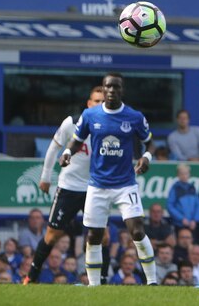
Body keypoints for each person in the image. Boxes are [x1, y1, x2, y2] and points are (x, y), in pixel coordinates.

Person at [59, 72, 157, 286]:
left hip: (125, 184)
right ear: (103, 90)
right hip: (97, 185)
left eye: (116, 87)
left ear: (122, 90)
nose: (112, 90)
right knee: (94, 236)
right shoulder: (90, 115)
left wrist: (146, 157)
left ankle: (152, 282)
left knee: (137, 230)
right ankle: (95, 287)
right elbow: (76, 141)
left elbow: (149, 142)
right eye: (108, 87)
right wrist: (67, 153)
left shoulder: (134, 117)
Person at [26, 86, 108, 285]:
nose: (99, 105)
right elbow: (54, 147)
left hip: (95, 188)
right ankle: (31, 277)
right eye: (96, 101)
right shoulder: (72, 123)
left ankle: (101, 282)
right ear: (89, 104)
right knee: (52, 235)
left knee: (102, 236)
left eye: (103, 102)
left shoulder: (111, 127)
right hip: (69, 186)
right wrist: (45, 176)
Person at [167, 163, 199, 231]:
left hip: (192, 224)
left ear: (189, 174)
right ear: (178, 175)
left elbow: (198, 205)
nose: (184, 176)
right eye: (181, 174)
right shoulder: (175, 188)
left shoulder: (192, 188)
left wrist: (195, 220)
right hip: (179, 224)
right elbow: (170, 206)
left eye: (186, 173)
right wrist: (181, 218)